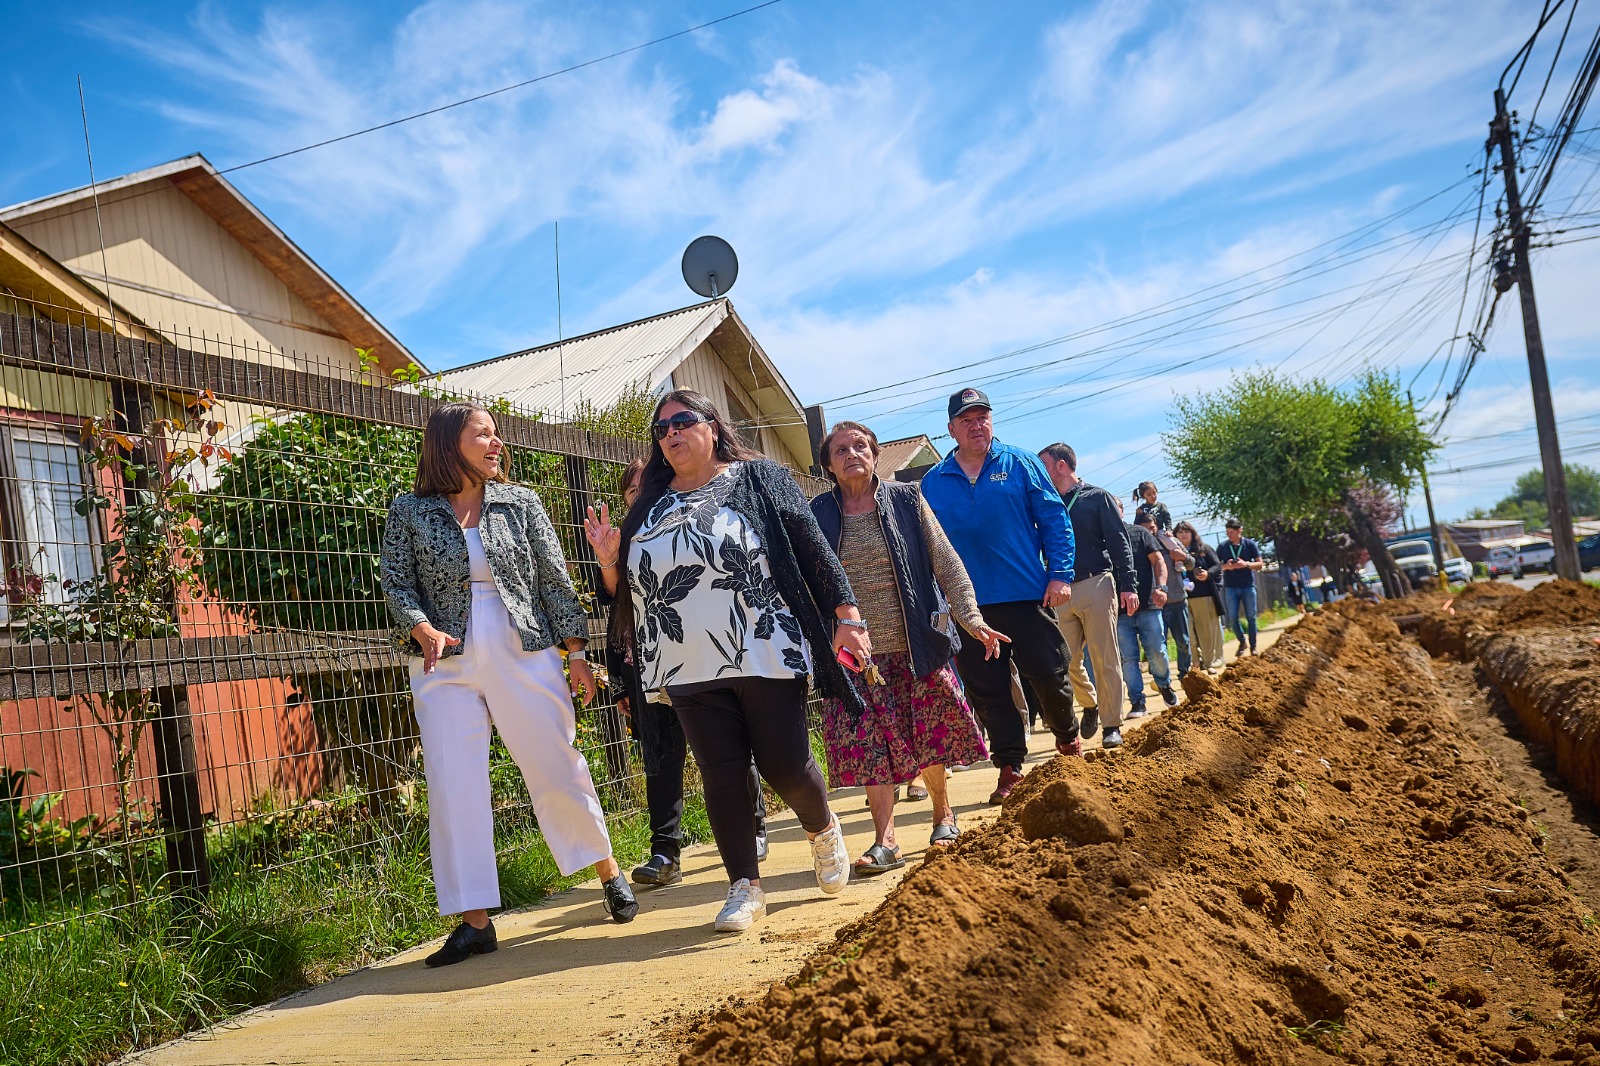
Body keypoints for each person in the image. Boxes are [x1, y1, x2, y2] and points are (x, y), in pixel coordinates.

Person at [583, 389, 865, 934]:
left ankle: (822, 824)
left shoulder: (758, 478)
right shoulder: (650, 504)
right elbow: (622, 594)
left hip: (763, 642)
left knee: (784, 763)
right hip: (683, 657)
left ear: (713, 427)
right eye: (661, 428)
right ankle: (745, 886)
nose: (671, 432)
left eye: (683, 421)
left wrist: (847, 614)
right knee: (721, 772)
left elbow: (812, 547)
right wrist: (609, 564)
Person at [380, 401, 636, 968]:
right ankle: (474, 921)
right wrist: (421, 629)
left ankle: (607, 871)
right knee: (452, 781)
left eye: (497, 436)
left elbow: (552, 577)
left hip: (523, 642)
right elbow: (395, 581)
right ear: (450, 445)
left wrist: (575, 654)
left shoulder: (521, 503)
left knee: (554, 760)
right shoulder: (410, 510)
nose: (497, 444)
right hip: (442, 656)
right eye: (483, 435)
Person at [812, 421, 1002, 873]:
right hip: (855, 658)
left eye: (860, 446)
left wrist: (971, 619)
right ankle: (886, 840)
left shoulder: (906, 499)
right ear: (829, 465)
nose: (852, 454)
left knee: (928, 735)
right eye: (840, 450)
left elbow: (946, 561)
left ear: (876, 455)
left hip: (915, 644)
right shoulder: (817, 513)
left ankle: (943, 815)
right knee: (871, 745)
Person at [601, 459, 768, 889]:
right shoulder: (621, 538)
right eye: (631, 493)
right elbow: (616, 610)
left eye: (646, 488)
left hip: (703, 660)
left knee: (727, 751)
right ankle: (665, 852)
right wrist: (621, 682)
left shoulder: (686, 521)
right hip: (650, 666)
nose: (640, 497)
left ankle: (754, 826)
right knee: (659, 756)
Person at [921, 388, 1080, 804]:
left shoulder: (1022, 463)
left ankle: (1069, 745)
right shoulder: (933, 483)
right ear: (951, 429)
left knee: (1049, 675)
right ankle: (1010, 768)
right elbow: (924, 545)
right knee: (990, 692)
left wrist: (1060, 574)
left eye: (983, 416)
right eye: (967, 419)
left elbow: (1055, 521)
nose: (977, 425)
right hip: (969, 608)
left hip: (1027, 595)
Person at [1037, 444, 1138, 750]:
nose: (1039, 472)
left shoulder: (1098, 498)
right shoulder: (1046, 504)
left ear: (1062, 466)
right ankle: (1090, 703)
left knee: (1104, 657)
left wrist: (1128, 585)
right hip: (1061, 590)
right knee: (1064, 660)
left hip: (1097, 583)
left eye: (1044, 465)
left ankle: (1112, 725)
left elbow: (1120, 543)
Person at [1123, 508, 1178, 719]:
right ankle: (1137, 702)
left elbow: (1159, 561)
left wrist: (1162, 587)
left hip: (1148, 605)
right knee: (1128, 658)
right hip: (1119, 612)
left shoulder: (1140, 533)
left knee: (1157, 651)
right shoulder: (1100, 538)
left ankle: (1164, 685)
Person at [1174, 521, 1225, 673]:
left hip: (1203, 596)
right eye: (1180, 532)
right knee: (1188, 631)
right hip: (1181, 598)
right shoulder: (1172, 551)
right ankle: (1195, 662)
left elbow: (1217, 565)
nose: (1183, 534)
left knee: (1206, 632)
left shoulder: (1204, 549)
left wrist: (1207, 574)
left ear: (1192, 533)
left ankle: (1210, 663)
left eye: (1186, 531)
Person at [1218, 519, 1264, 655]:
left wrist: (1246, 564)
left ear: (1239, 531)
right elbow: (1215, 567)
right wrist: (1227, 566)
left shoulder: (1250, 545)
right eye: (1227, 533)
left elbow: (1260, 564)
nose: (1229, 535)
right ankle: (1242, 641)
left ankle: (1253, 646)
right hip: (1230, 587)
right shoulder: (1223, 547)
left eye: (1232, 532)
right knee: (1232, 617)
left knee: (1251, 617)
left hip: (1247, 586)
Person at [1156, 526, 1194, 677]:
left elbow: (1191, 563)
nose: (1150, 530)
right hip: (1155, 604)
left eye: (1152, 526)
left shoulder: (1171, 541)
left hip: (1177, 598)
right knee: (1158, 645)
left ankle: (1185, 673)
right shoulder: (1143, 542)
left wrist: (1183, 557)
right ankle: (1162, 677)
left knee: (1183, 642)